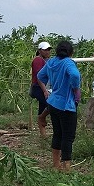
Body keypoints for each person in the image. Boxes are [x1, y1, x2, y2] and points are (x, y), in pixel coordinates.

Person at [36, 39, 82, 171]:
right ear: (70, 52)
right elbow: (74, 75)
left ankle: (56, 165)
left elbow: (40, 75)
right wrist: (76, 90)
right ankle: (66, 167)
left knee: (57, 134)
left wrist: (46, 88)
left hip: (53, 103)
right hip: (66, 105)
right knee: (68, 136)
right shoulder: (68, 63)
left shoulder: (52, 62)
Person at [30, 40, 52, 136]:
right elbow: (39, 77)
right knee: (51, 105)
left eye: (48, 49)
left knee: (42, 108)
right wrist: (44, 91)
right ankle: (41, 118)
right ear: (39, 51)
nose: (47, 51)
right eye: (45, 50)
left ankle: (43, 135)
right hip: (38, 88)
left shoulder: (45, 60)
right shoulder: (38, 60)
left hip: (41, 87)